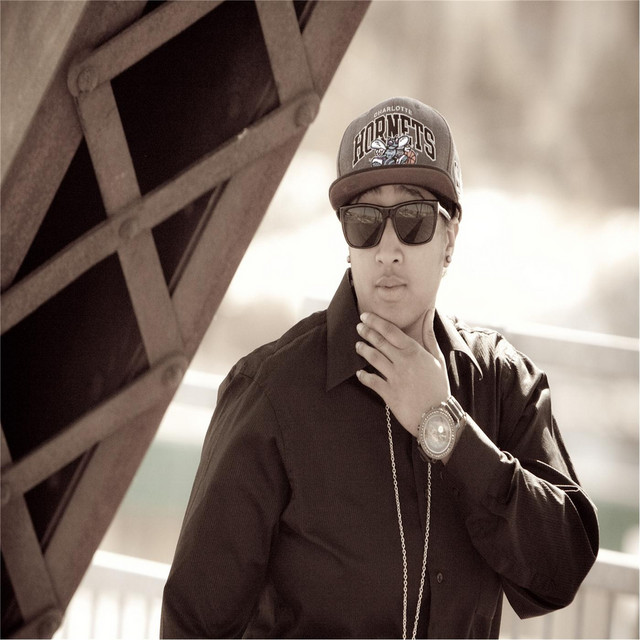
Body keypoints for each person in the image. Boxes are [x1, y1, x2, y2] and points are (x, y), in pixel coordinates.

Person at [160, 97, 599, 639]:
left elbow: (562, 569)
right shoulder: (271, 392)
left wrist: (448, 430)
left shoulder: (501, 382)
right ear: (347, 241)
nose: (388, 249)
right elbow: (194, 624)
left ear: (450, 239)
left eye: (413, 220)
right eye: (365, 222)